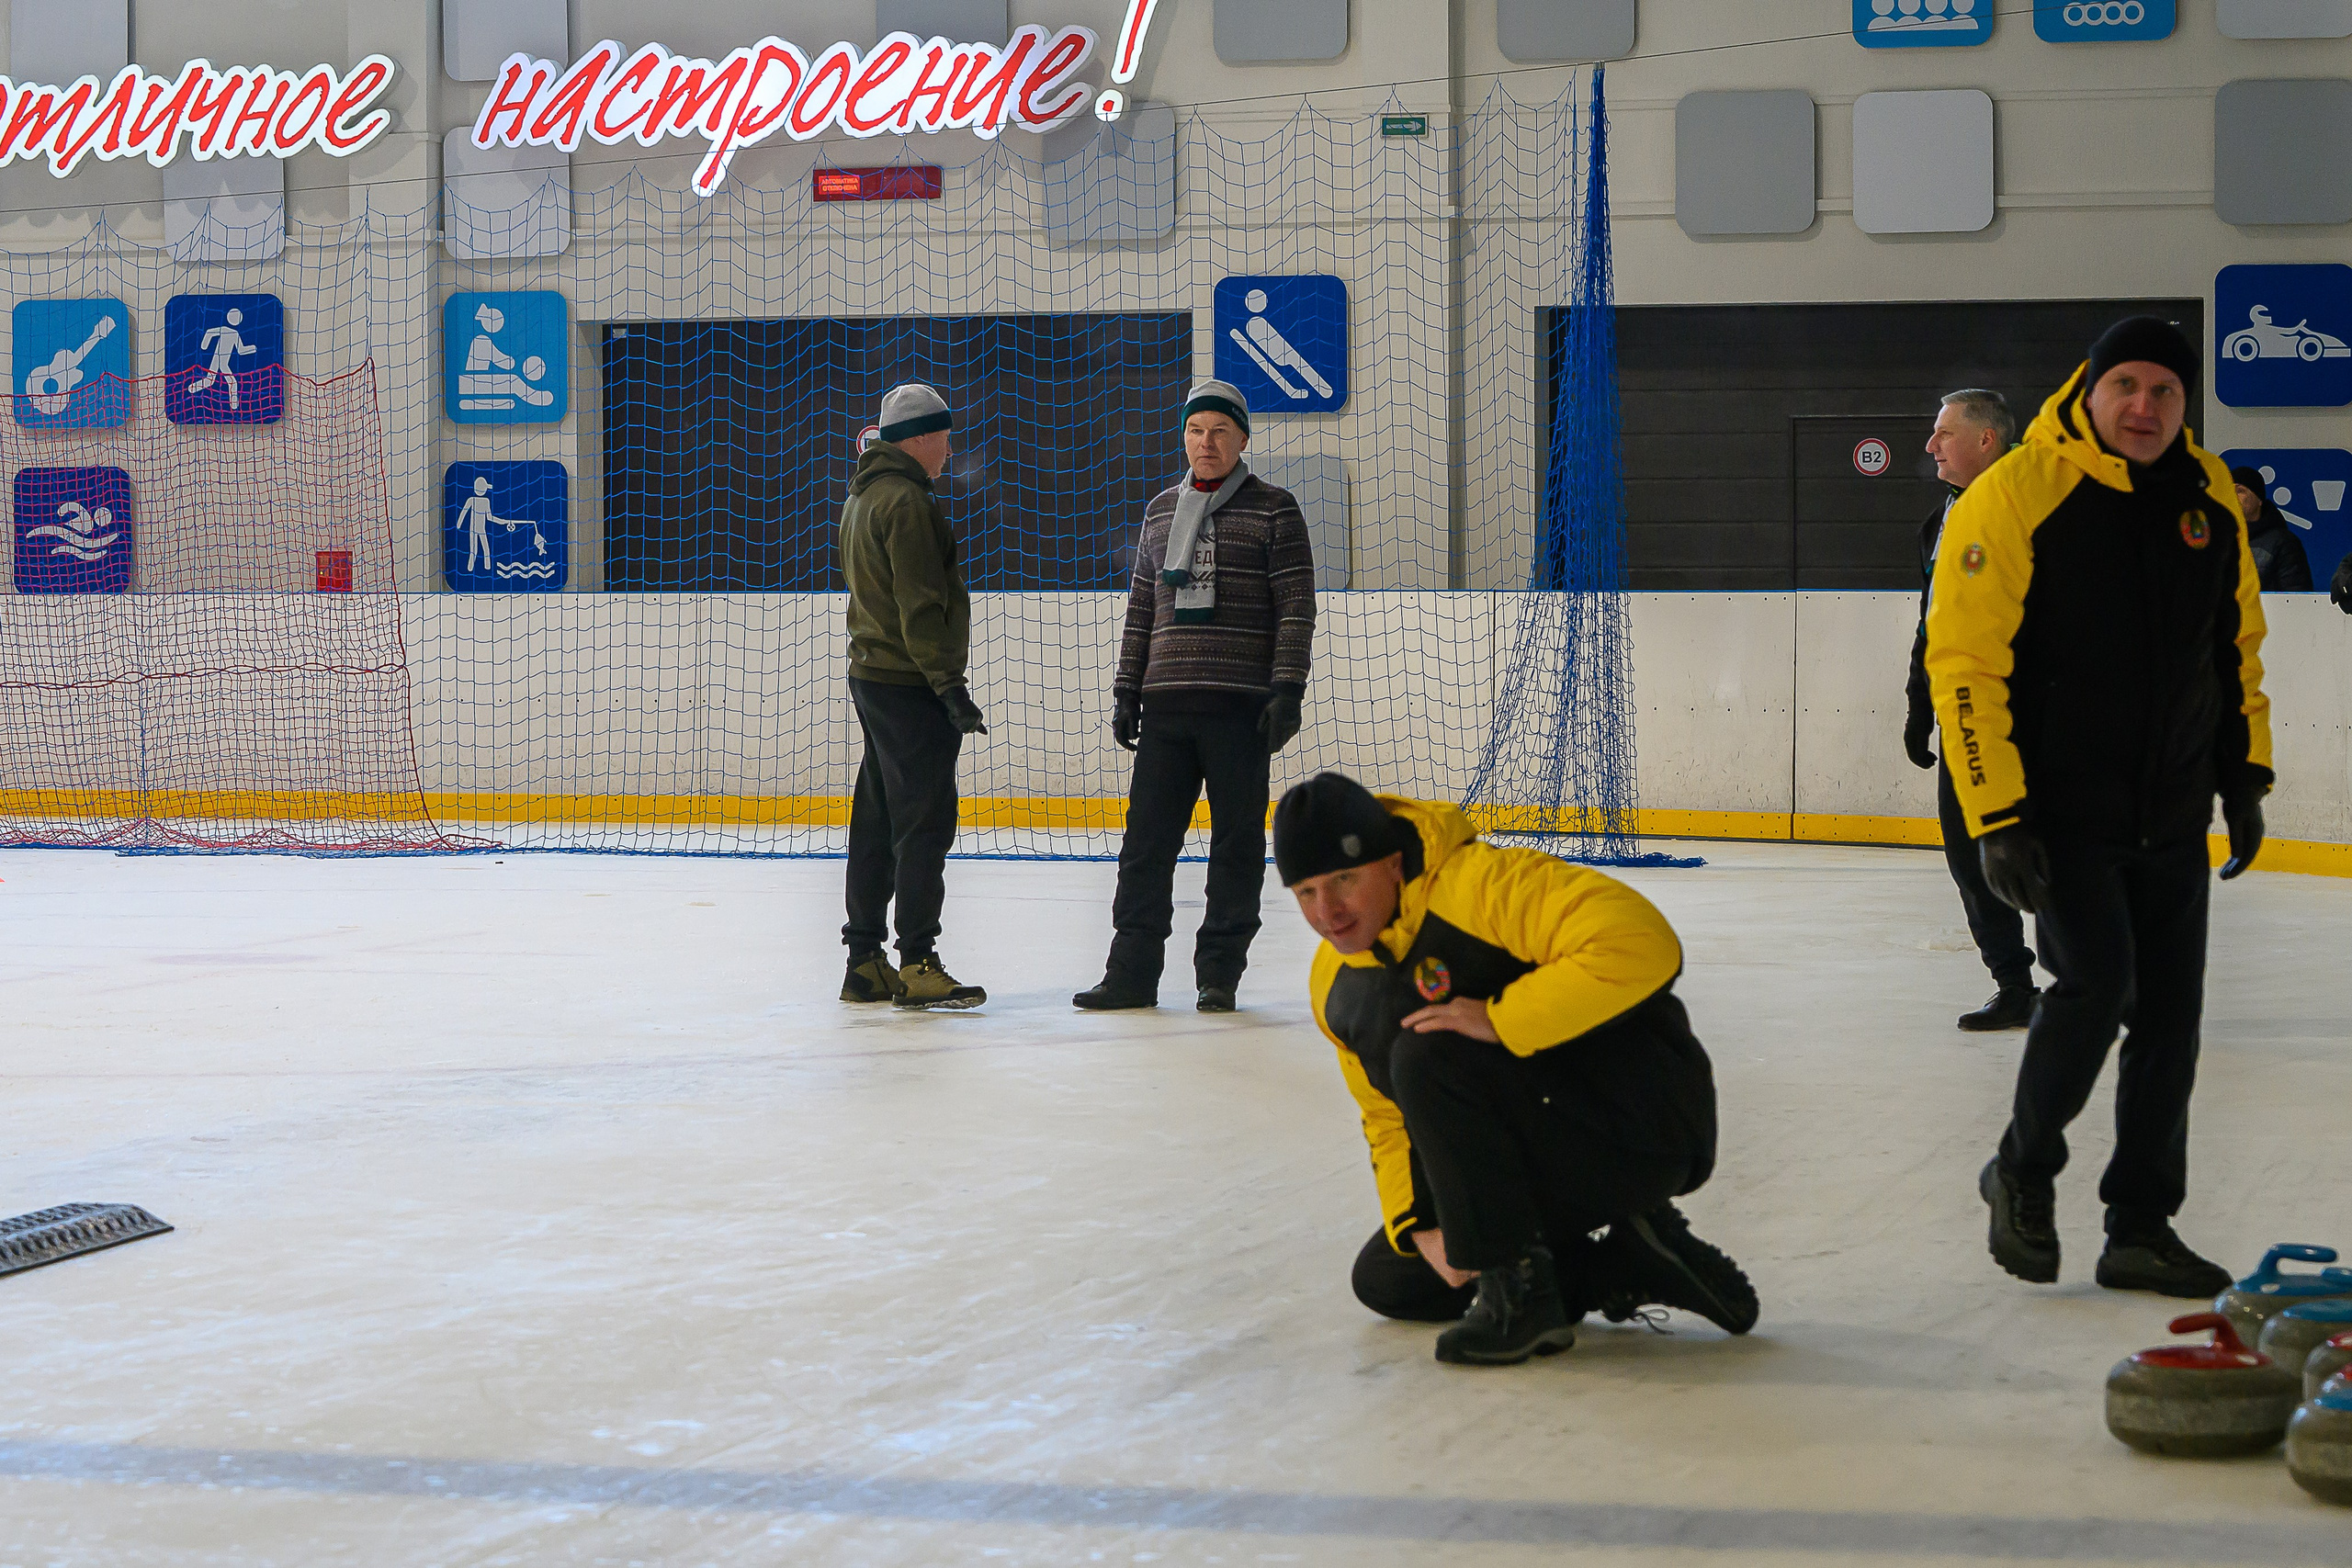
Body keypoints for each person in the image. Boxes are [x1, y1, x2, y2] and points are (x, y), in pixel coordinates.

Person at [1927, 316, 2272, 1297]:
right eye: (2126, 384)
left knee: (2170, 1016)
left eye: (2165, 392)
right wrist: (1996, 814)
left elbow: (2232, 648)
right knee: (2094, 988)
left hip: (2170, 809)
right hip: (2057, 812)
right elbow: (1965, 664)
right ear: (2088, 389)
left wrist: (2243, 777)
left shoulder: (2205, 494)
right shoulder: (2019, 492)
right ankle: (2021, 1173)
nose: (2144, 407)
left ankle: (2140, 1225)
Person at [1278, 771, 1758, 1366]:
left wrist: (1503, 1019)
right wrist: (1415, 1225)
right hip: (1537, 1153)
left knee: (1428, 1049)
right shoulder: (1335, 985)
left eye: (1344, 879)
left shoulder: (1484, 885)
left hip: (1641, 1129)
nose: (1327, 911)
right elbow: (1384, 1116)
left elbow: (1644, 941)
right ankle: (1624, 1263)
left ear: (1393, 863)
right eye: (1305, 891)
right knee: (1388, 1276)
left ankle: (1520, 1299)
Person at [1073, 380, 1316, 1012]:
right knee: (1146, 844)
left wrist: (1287, 688)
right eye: (1195, 430)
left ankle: (1219, 973)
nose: (1205, 443)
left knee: (1236, 844)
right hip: (1167, 708)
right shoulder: (1160, 510)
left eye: (1218, 432)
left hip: (1240, 708)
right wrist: (1127, 689)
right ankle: (1130, 972)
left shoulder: (1275, 508)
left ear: (1241, 439)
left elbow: (1295, 608)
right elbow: (1141, 609)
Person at [839, 383, 989, 1011]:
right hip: (909, 683)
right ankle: (919, 960)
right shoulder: (906, 502)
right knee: (924, 823)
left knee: (876, 820)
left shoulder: (865, 495)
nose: (950, 449)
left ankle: (864, 959)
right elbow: (920, 605)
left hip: (873, 675)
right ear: (920, 437)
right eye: (944, 436)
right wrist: (950, 688)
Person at [1905, 389, 2037, 1031]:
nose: (1931, 445)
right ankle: (2014, 982)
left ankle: (2100, 977)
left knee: (2058, 845)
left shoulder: (2041, 503)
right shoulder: (1941, 522)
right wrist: (1917, 703)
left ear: (1986, 439)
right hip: (1964, 711)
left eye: (1943, 433)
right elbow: (1934, 622)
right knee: (1969, 851)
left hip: (2037, 713)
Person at [2230, 466, 2313, 592]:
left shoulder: (2284, 543)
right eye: (2229, 491)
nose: (2233, 496)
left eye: (2240, 491)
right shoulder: (2219, 540)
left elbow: (2295, 599)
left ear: (2259, 499)